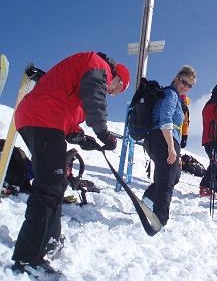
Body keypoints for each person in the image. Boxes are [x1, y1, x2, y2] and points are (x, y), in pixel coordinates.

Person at [12, 51, 130, 276]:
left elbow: (70, 117)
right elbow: (95, 102)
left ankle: (50, 239)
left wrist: (86, 140)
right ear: (116, 75)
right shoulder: (96, 65)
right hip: (43, 119)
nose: (112, 92)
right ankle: (28, 258)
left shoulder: (85, 77)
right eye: (117, 87)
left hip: (43, 120)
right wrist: (104, 133)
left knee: (55, 184)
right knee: (48, 187)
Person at [145, 66, 196, 226]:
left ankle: (146, 201)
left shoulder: (177, 98)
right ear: (176, 79)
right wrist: (170, 147)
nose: (186, 87)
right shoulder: (170, 94)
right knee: (167, 182)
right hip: (163, 138)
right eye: (184, 82)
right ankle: (159, 220)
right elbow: (165, 118)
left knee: (174, 176)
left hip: (164, 139)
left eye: (190, 85)